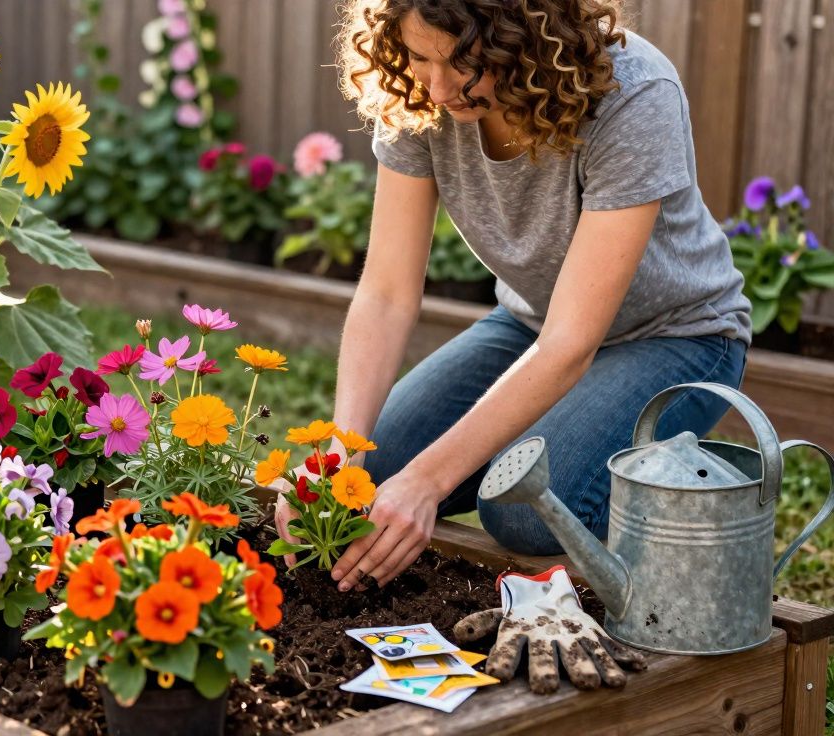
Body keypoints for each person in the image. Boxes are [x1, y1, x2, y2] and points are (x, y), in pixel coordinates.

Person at [275, 0, 750, 593]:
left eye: (467, 62)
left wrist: (429, 483)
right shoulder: (420, 94)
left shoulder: (632, 93)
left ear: (525, 42)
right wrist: (340, 459)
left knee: (523, 508)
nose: (441, 86)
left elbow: (572, 344)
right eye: (421, 57)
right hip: (532, 325)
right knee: (379, 467)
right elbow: (388, 292)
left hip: (678, 337)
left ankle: (683, 493)